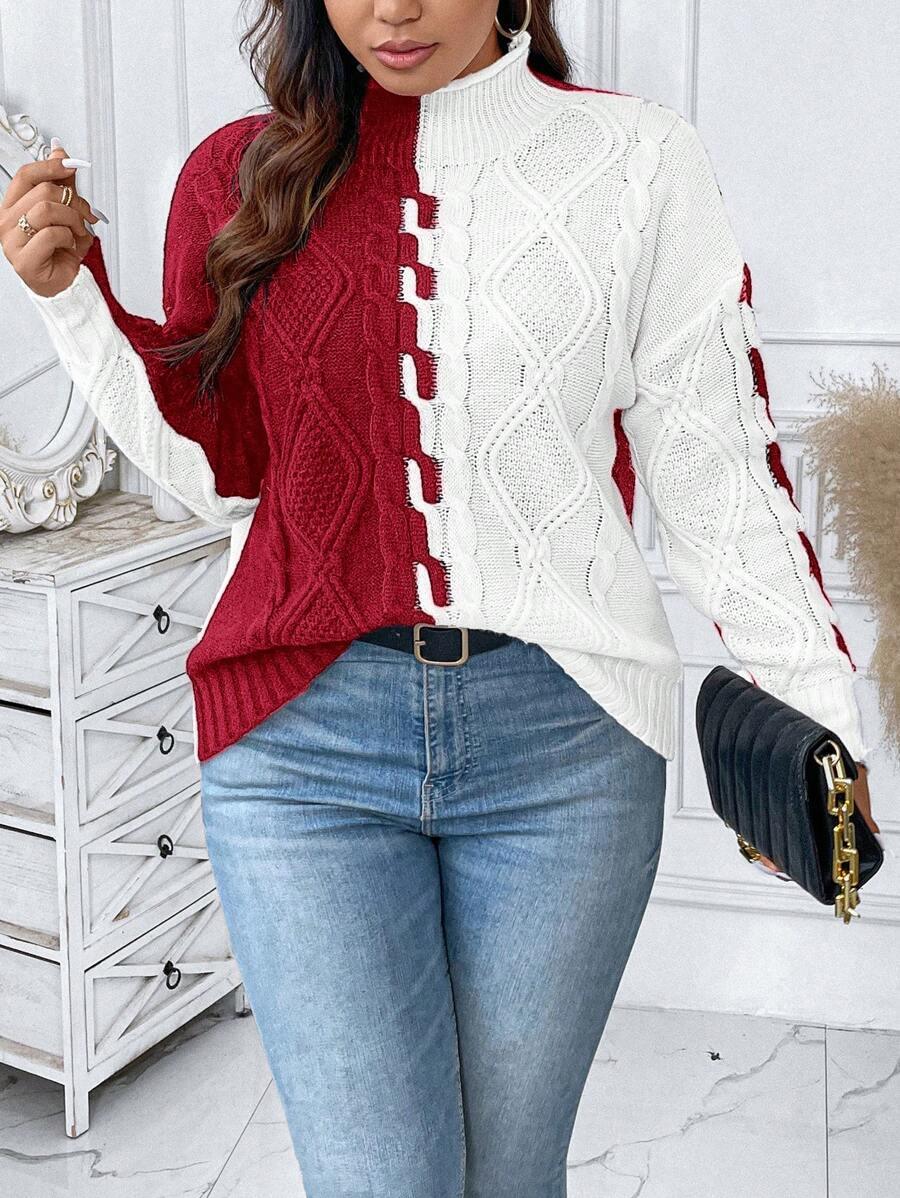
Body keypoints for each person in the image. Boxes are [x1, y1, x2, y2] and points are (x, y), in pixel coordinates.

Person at [1, 1, 880, 1193]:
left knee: (511, 1175)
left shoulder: (637, 162)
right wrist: (71, 300)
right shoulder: (239, 175)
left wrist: (816, 707)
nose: (391, 9)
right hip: (300, 746)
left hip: (566, 748)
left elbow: (714, 461)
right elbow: (223, 471)